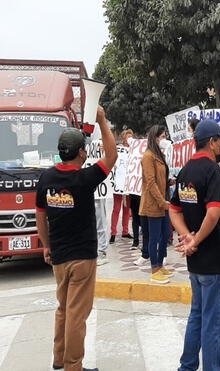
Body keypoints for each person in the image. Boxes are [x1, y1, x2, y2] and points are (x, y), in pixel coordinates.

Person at [35, 106, 116, 371]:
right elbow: (112, 155)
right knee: (77, 315)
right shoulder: (84, 178)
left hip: (58, 257)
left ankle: (59, 360)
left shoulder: (46, 178)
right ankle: (73, 366)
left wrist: (46, 245)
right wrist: (102, 121)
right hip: (82, 258)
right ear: (82, 152)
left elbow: (40, 215)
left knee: (63, 309)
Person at [169, 119, 220, 371]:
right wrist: (192, 239)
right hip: (215, 262)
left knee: (197, 315)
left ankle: (186, 367)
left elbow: (174, 211)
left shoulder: (185, 171)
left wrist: (187, 238)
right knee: (213, 323)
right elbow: (214, 213)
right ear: (211, 142)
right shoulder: (212, 171)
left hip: (195, 261)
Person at [140, 125, 173, 284]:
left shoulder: (159, 155)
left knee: (165, 234)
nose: (164, 139)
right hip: (153, 204)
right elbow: (150, 182)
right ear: (155, 138)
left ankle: (160, 265)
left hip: (163, 202)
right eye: (162, 136)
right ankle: (154, 269)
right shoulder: (148, 156)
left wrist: (169, 182)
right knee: (154, 238)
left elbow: (160, 179)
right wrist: (161, 201)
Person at [110, 129, 134, 244]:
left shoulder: (134, 150)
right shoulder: (118, 148)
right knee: (116, 208)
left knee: (127, 208)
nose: (129, 139)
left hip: (129, 183)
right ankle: (113, 232)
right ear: (123, 138)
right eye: (127, 137)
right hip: (118, 182)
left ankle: (125, 231)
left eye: (131, 137)